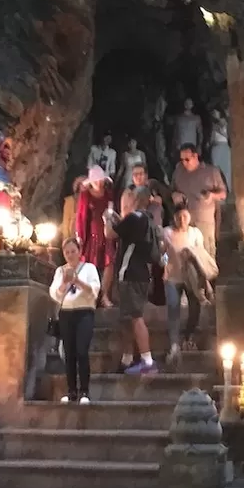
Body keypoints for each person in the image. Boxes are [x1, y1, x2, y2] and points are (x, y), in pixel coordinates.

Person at [105, 185, 161, 374]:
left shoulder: (133, 218)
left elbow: (110, 234)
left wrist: (107, 218)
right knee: (127, 318)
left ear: (135, 200)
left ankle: (147, 360)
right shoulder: (148, 221)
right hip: (142, 274)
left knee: (136, 317)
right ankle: (127, 358)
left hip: (130, 274)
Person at [162, 203, 218, 366]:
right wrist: (164, 264)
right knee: (173, 308)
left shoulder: (195, 233)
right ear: (174, 218)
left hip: (191, 277)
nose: (182, 220)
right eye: (179, 217)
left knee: (195, 307)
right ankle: (174, 344)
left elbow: (200, 254)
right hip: (172, 276)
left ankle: (188, 336)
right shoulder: (167, 233)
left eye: (185, 216)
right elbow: (163, 253)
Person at [49, 237, 100, 404]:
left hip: (84, 312)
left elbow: (94, 290)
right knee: (69, 353)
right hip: (66, 313)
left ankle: (84, 391)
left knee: (81, 351)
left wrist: (77, 281)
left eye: (73, 251)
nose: (70, 255)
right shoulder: (60, 271)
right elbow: (55, 294)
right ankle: (71, 391)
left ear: (79, 252)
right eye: (67, 252)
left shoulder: (89, 268)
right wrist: (64, 283)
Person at [171, 144, 226, 258]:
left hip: (204, 222)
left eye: (187, 159)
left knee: (206, 258)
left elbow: (223, 194)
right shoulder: (178, 172)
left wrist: (211, 196)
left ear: (195, 156)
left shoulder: (211, 172)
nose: (184, 163)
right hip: (184, 223)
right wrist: (174, 195)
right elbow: (171, 190)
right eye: (182, 160)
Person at [74, 165, 116, 307]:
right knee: (90, 264)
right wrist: (79, 235)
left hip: (106, 232)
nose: (98, 183)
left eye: (100, 180)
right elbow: (80, 216)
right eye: (95, 180)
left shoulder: (109, 194)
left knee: (109, 262)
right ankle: (90, 295)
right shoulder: (85, 195)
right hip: (91, 233)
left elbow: (112, 211)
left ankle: (103, 295)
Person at [121, 163, 164, 228]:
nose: (138, 177)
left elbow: (159, 201)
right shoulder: (128, 193)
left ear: (146, 175)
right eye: (135, 175)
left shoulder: (152, 187)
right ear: (132, 177)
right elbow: (124, 213)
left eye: (141, 174)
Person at [208, 109, 231, 193]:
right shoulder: (213, 125)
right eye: (213, 112)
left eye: (215, 112)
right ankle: (217, 188)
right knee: (216, 169)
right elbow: (212, 138)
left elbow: (228, 136)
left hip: (224, 147)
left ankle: (226, 188)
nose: (214, 114)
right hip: (216, 147)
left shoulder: (226, 123)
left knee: (226, 169)